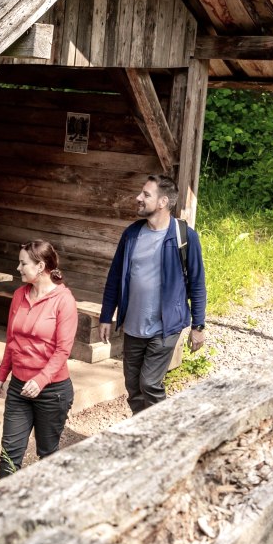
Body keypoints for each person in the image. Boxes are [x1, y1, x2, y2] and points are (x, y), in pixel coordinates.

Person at [98, 175, 207, 415]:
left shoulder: (185, 237)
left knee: (149, 383)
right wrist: (106, 316)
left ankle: (160, 435)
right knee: (133, 386)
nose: (138, 198)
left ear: (162, 202)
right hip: (134, 325)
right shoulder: (132, 234)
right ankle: (142, 434)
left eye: (146, 194)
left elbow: (197, 283)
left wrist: (198, 326)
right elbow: (115, 277)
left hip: (165, 327)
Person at [0, 240, 79, 478]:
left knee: (47, 454)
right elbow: (12, 338)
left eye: (23, 263)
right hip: (19, 387)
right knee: (9, 454)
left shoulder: (64, 301)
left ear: (41, 266)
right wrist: (3, 373)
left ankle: (46, 507)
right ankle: (3, 510)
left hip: (52, 392)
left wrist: (40, 380)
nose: (18, 268)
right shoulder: (19, 295)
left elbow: (63, 350)